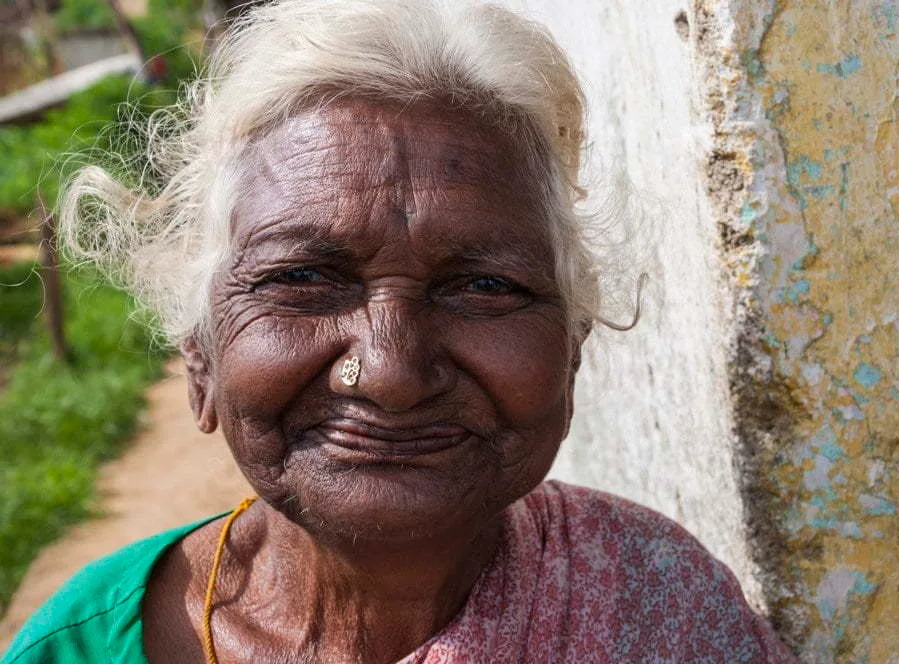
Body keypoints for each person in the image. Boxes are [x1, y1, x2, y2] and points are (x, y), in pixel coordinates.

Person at [3, 1, 797, 662]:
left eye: (486, 286)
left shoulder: (658, 609)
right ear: (201, 355)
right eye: (302, 279)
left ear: (573, 349)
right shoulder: (71, 649)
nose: (390, 371)